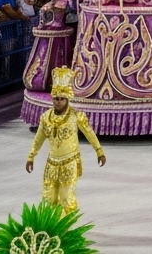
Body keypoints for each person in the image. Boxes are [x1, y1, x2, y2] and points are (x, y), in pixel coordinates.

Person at [25, 67, 105, 213]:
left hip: (70, 163)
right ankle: (51, 226)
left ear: (68, 99)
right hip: (52, 164)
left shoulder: (76, 116)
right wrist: (31, 156)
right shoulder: (46, 118)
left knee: (67, 198)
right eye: (56, 99)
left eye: (62, 99)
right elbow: (39, 138)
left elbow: (89, 133)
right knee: (48, 199)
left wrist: (99, 151)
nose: (59, 102)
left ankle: (68, 225)